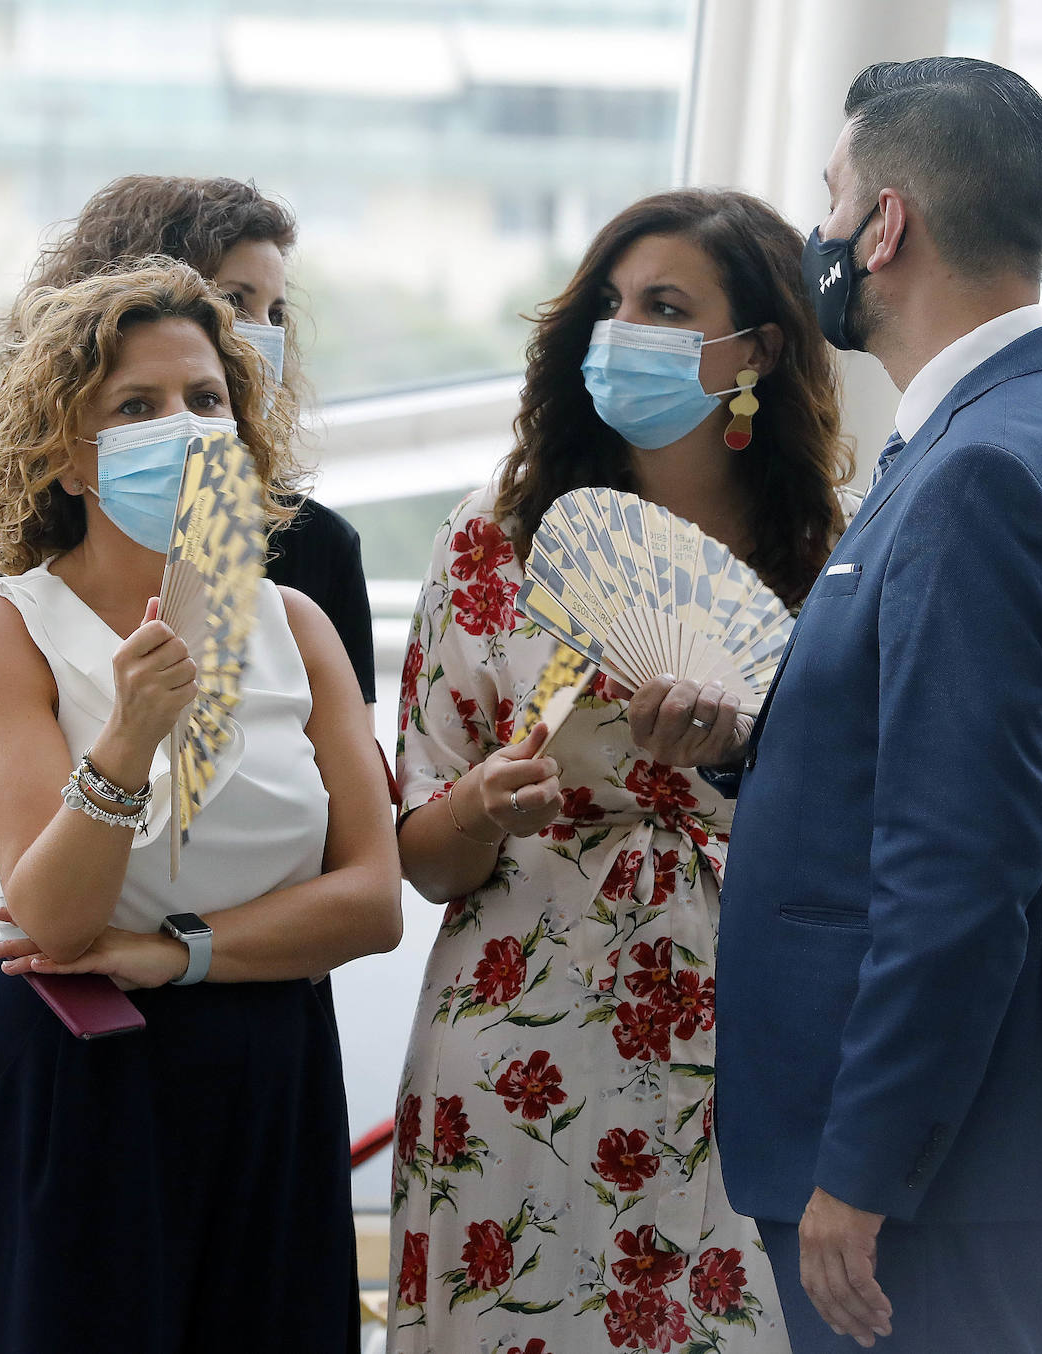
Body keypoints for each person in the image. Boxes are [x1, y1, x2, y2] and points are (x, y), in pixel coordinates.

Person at [627, 58, 1042, 1353]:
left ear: (886, 224)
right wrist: (749, 745)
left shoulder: (979, 474)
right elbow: (927, 763)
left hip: (933, 1177)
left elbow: (960, 867)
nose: (818, 232)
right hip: (1002, 1152)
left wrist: (866, 1163)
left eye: (831, 201)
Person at [0, 174, 375, 1354]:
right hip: (48, 1010)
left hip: (253, 1033)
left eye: (254, 329)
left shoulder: (306, 582)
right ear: (71, 441)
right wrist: (128, 739)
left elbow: (363, 877)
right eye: (138, 402)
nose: (253, 344)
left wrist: (177, 953)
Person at [388, 188, 852, 1354]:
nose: (622, 328)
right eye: (609, 302)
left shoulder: (836, 556)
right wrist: (485, 803)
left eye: (665, 306)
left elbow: (868, 830)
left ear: (756, 350)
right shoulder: (491, 534)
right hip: (509, 1028)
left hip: (738, 1028)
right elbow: (422, 852)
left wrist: (741, 750)